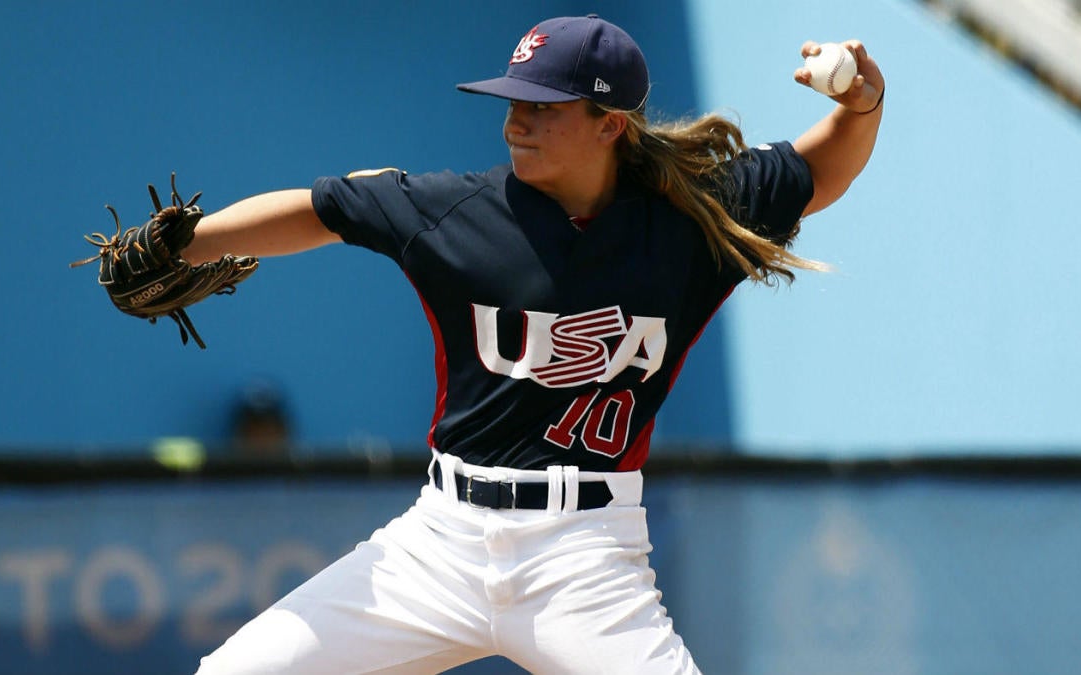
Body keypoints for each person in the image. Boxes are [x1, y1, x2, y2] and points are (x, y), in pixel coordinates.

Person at [188, 15, 884, 675]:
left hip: (582, 554)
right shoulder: (457, 212)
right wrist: (187, 243)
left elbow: (823, 169)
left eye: (545, 106)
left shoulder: (691, 216)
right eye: (513, 99)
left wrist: (861, 100)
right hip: (439, 543)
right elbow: (325, 208)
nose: (516, 120)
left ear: (610, 124)